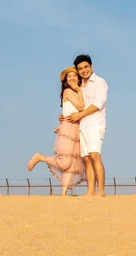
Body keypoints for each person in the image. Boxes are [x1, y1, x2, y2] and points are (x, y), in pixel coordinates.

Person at [27, 67, 87, 196]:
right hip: (68, 127)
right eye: (69, 76)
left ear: (78, 78)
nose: (71, 78)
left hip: (77, 127)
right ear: (65, 80)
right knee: (65, 161)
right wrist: (78, 89)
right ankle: (40, 157)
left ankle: (64, 193)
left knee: (73, 163)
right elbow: (81, 107)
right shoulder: (69, 91)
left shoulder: (77, 92)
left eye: (74, 76)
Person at [61, 54, 108, 197]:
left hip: (95, 124)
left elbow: (97, 105)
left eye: (86, 67)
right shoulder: (79, 85)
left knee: (95, 155)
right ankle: (90, 191)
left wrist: (79, 115)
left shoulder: (99, 82)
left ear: (91, 67)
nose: (84, 70)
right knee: (87, 159)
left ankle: (100, 191)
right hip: (82, 125)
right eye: (80, 68)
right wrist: (65, 116)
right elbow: (75, 106)